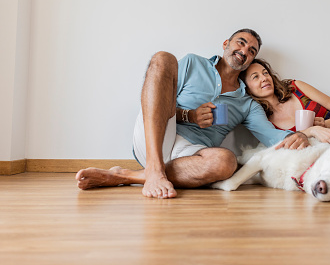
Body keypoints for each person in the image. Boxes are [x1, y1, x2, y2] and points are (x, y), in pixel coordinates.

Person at [76, 29, 309, 198]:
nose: (243, 51)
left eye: (251, 51)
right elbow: (156, 104)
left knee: (226, 162)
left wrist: (301, 134)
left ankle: (125, 176)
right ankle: (154, 169)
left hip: (190, 156)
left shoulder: (247, 103)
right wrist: (190, 116)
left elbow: (272, 137)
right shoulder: (192, 64)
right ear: (226, 43)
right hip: (158, 136)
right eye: (240, 43)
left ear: (250, 61)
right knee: (163, 58)